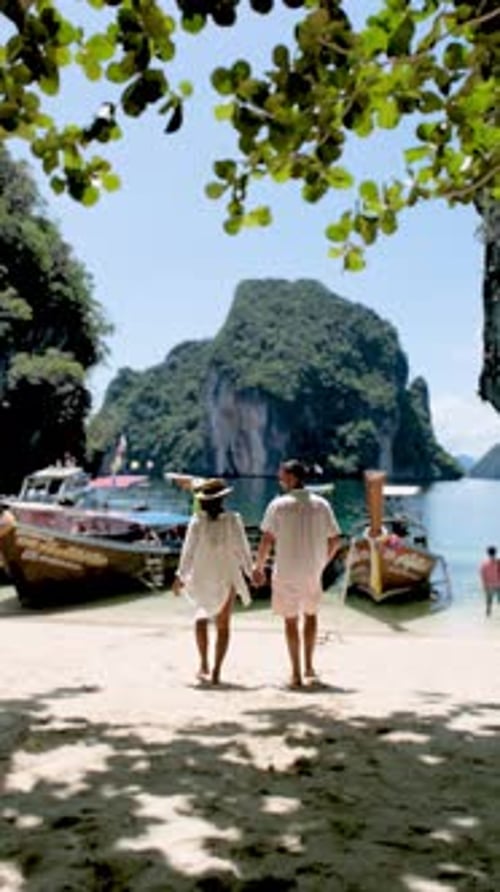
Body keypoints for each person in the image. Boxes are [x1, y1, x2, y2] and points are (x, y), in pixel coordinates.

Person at [253, 459, 342, 688]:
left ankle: (295, 674)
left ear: (292, 478)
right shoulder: (321, 505)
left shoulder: (278, 505)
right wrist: (322, 563)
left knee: (290, 621)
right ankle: (309, 667)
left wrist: (258, 567)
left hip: (286, 571)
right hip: (312, 571)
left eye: (282, 475)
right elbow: (335, 540)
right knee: (311, 615)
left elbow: (267, 540)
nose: (279, 479)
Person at [172, 478, 253, 685]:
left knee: (208, 621)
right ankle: (210, 666)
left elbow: (189, 552)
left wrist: (181, 576)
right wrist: (180, 575)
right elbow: (189, 551)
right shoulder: (205, 521)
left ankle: (210, 666)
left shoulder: (226, 520)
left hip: (213, 575)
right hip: (215, 575)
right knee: (215, 623)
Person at [479, 545, 500, 617]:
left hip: (489, 585)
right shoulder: (498, 562)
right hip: (498, 585)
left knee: (489, 603)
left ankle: (488, 618)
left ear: (488, 553)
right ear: (496, 552)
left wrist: (484, 585)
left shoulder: (484, 564)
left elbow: (482, 576)